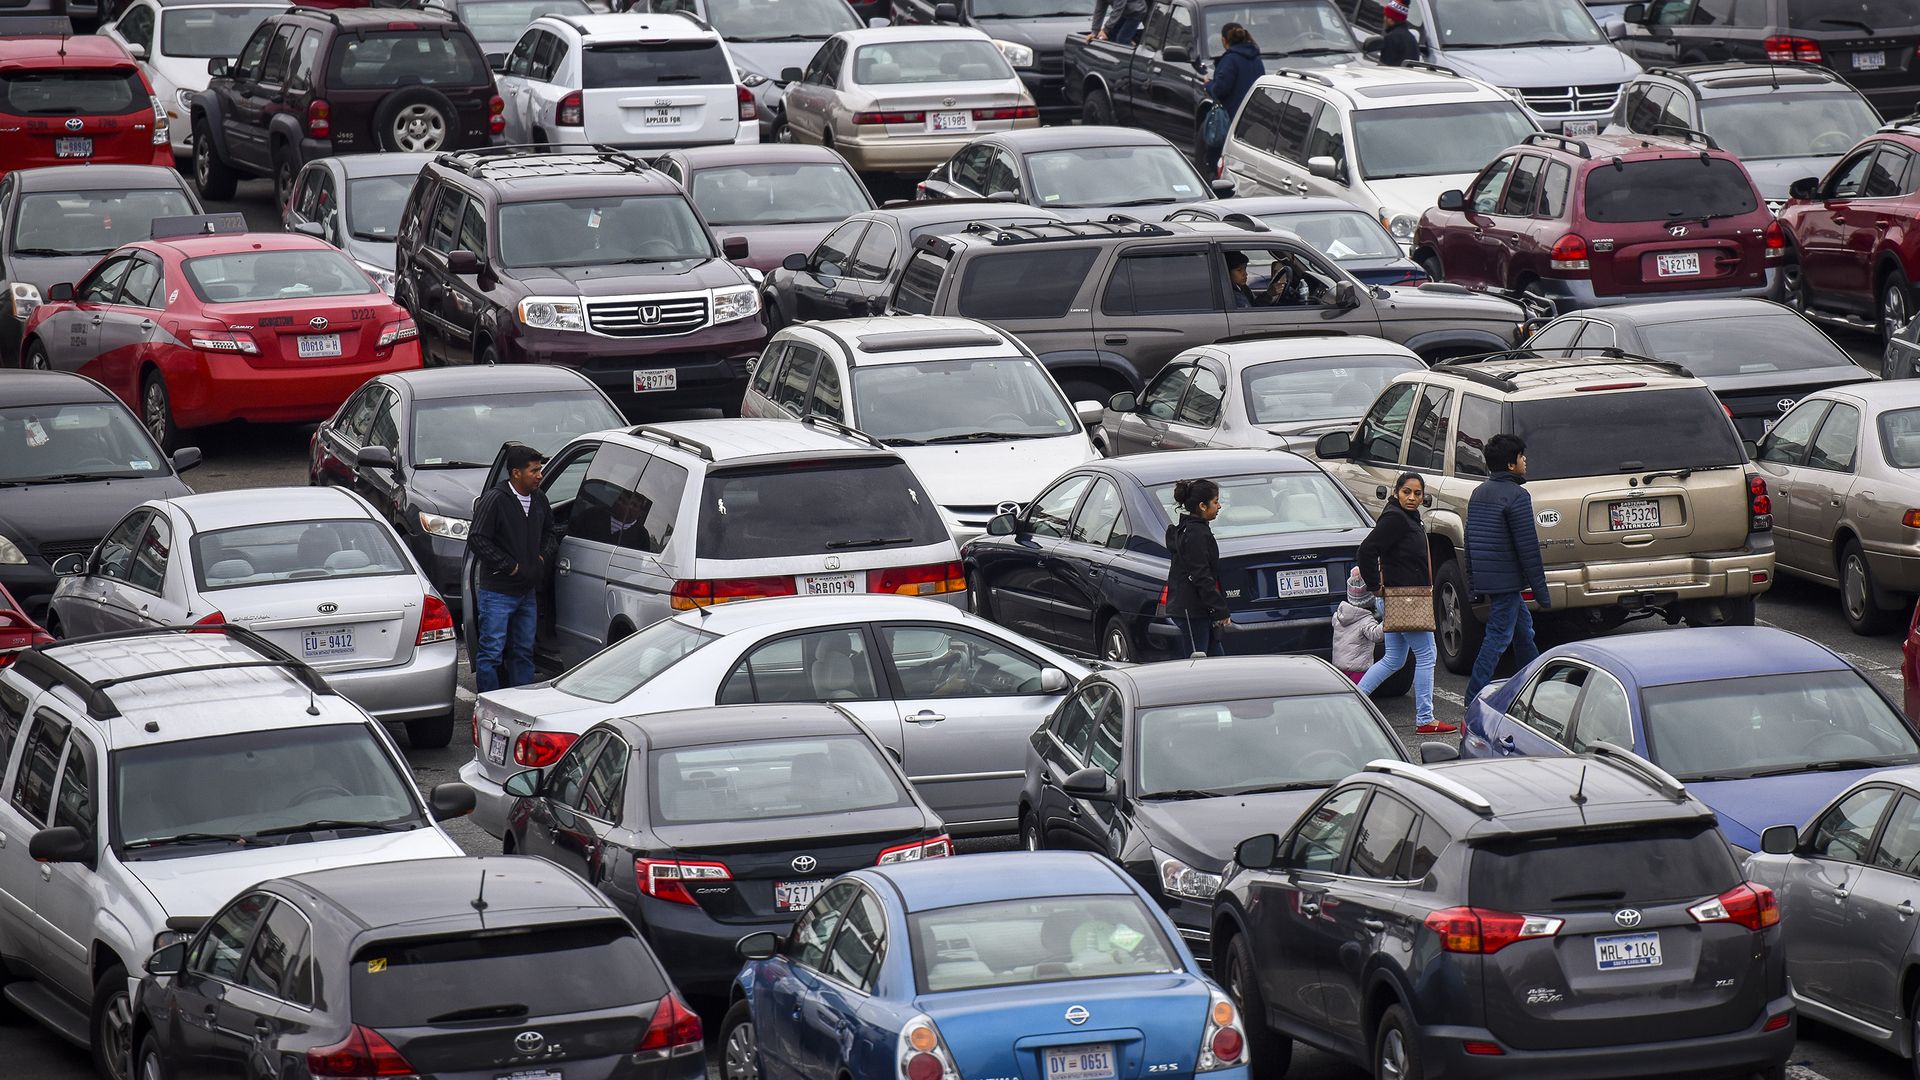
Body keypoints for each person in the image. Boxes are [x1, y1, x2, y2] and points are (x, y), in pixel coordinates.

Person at [1356, 472, 1453, 734]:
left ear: (1423, 496)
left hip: (1402, 599)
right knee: (1427, 655)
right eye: (1406, 492)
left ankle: (1354, 703)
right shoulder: (1395, 519)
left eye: (1417, 493)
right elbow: (1366, 550)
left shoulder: (1408, 517)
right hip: (1404, 600)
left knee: (1394, 659)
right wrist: (1375, 586)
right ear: (1396, 492)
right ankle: (1425, 719)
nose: (1411, 497)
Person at [1464, 434, 1551, 705]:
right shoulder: (1517, 495)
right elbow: (1528, 548)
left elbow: (1469, 541)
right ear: (1511, 464)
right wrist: (1542, 592)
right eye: (1522, 456)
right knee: (1497, 639)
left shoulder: (1479, 493)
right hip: (1508, 581)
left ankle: (1536, 687)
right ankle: (1473, 697)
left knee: (1524, 632)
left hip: (1490, 578)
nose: (1526, 460)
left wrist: (1472, 582)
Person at [467, 443, 558, 693]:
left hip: (526, 593)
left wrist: (541, 558)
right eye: (534, 471)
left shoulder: (539, 499)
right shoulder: (495, 500)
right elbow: (477, 539)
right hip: (497, 592)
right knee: (491, 653)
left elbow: (550, 532)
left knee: (523, 651)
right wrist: (510, 567)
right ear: (516, 473)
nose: (539, 475)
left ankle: (521, 706)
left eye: (540, 470)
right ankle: (488, 703)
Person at [1165, 478, 1230, 657]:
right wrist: (1219, 609)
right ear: (1202, 506)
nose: (1219, 506)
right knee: (1199, 664)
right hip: (1192, 613)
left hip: (1196, 610)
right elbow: (1201, 574)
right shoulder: (1196, 535)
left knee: (1217, 662)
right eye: (1216, 502)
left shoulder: (1189, 530)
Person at [1202, 23, 1263, 169]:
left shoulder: (1230, 60)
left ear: (1224, 41)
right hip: (1253, 119)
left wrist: (1208, 85)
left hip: (1230, 118)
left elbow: (1220, 90)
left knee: (1217, 160)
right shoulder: (1256, 59)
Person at [1333, 568, 1384, 683]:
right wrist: (1388, 620)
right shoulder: (1365, 620)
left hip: (1339, 669)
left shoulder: (1338, 616)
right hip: (1359, 670)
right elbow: (1377, 635)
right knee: (1359, 696)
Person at [1379, 0, 1420, 66]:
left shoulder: (1391, 38)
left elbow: (1384, 68)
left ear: (1391, 20)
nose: (1384, 19)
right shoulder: (1412, 39)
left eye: (1385, 16)